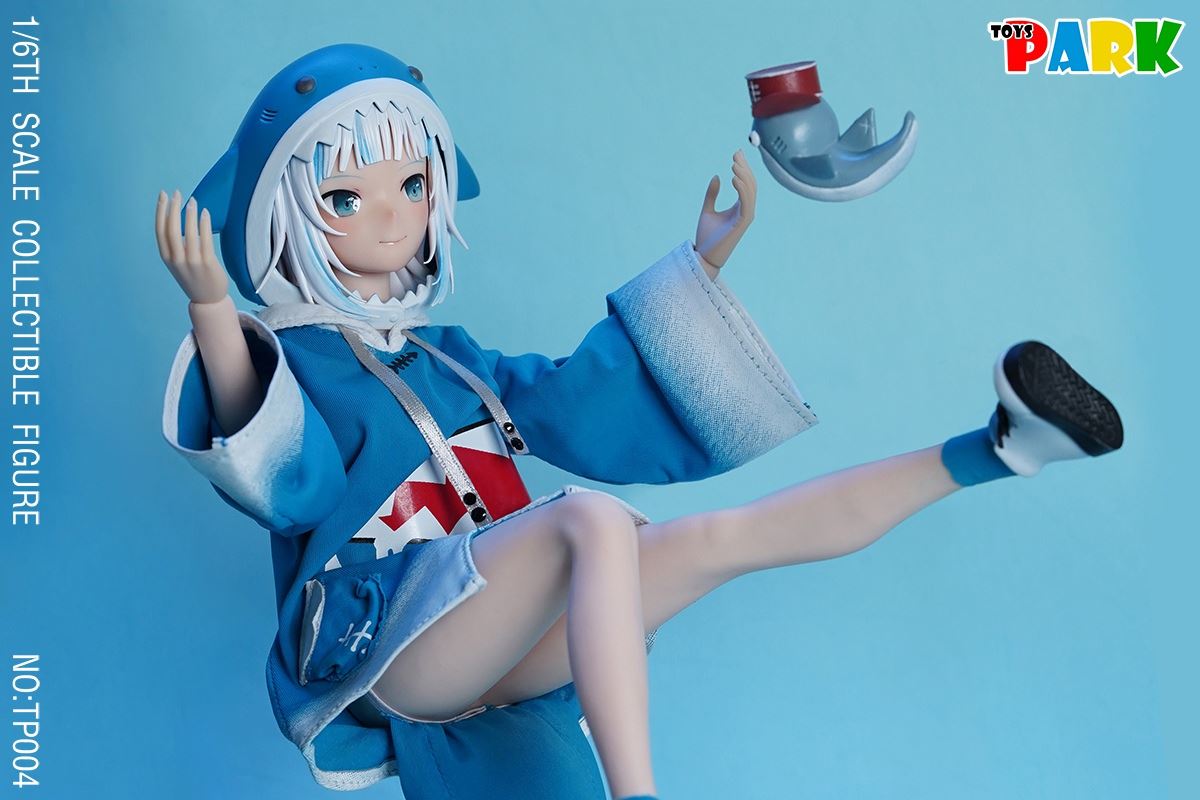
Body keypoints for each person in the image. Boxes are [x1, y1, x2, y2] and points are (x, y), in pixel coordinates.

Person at [156, 44, 1123, 800]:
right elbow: (293, 487)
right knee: (589, 519)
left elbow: (578, 397)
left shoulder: (453, 358)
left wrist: (701, 268)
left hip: (496, 636)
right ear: (284, 214)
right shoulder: (305, 367)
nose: (392, 218)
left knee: (719, 540)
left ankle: (997, 449)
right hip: (383, 644)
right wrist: (212, 312)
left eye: (413, 185)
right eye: (345, 197)